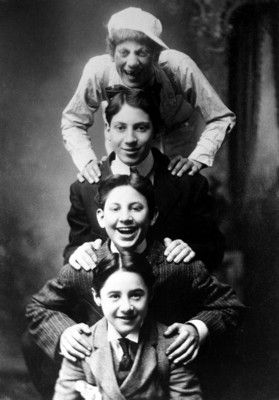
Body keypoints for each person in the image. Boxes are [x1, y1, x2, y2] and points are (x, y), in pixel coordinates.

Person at [24, 174, 243, 399]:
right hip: (101, 371)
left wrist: (197, 329)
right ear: (100, 217)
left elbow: (230, 306)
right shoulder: (86, 265)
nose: (125, 218)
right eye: (115, 209)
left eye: (136, 208)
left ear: (153, 215)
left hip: (166, 371)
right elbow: (38, 307)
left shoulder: (176, 264)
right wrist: (64, 332)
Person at [62, 7, 235, 183]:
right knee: (128, 203)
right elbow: (72, 121)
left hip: (174, 155)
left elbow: (221, 118)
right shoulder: (99, 71)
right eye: (124, 52)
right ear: (112, 53)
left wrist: (197, 158)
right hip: (124, 155)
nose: (132, 63)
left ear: (155, 55)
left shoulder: (177, 67)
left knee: (173, 201)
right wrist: (87, 161)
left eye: (141, 53)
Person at [64, 88, 224, 272]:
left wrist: (192, 251)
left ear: (156, 131)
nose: (130, 139)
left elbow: (214, 249)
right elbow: (73, 248)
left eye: (141, 128)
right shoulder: (85, 188)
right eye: (120, 127)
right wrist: (77, 255)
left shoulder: (188, 183)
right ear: (108, 130)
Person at [53, 252, 202, 400]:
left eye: (136, 295)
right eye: (114, 296)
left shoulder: (173, 345)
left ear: (150, 295)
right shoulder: (80, 344)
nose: (126, 307)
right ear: (97, 297)